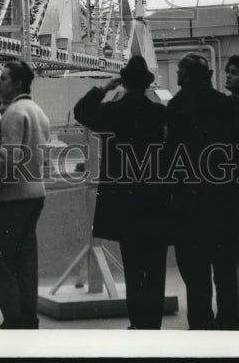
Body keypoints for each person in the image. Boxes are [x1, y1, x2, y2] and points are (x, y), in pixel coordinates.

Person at [73, 56, 169, 329]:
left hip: (124, 202)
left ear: (124, 82)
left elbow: (81, 111)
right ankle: (153, 324)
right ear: (147, 84)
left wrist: (103, 88)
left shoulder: (112, 113)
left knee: (134, 264)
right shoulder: (159, 114)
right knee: (155, 267)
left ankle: (138, 323)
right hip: (155, 199)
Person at [164, 52, 239, 330]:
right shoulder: (228, 105)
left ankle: (201, 324)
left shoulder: (175, 107)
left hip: (190, 204)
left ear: (186, 76)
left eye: (179, 72)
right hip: (225, 201)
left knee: (196, 271)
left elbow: (170, 158)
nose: (176, 77)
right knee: (225, 268)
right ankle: (231, 321)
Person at [0, 60, 50, 329]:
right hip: (35, 195)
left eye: (4, 79)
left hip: (12, 199)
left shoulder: (13, 114)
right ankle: (28, 318)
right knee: (25, 262)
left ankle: (14, 321)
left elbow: (8, 158)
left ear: (18, 84)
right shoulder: (38, 111)